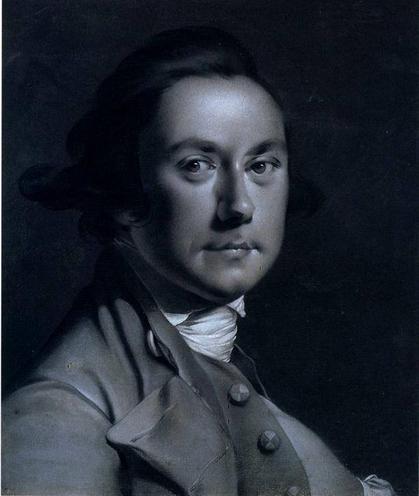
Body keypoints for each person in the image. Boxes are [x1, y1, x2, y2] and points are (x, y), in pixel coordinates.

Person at [3, 26, 396, 496]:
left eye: (260, 166)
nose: (239, 206)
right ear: (125, 194)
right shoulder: (56, 420)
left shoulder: (215, 358)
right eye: (197, 165)